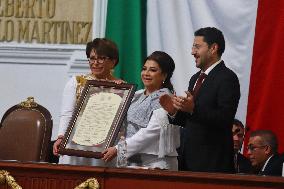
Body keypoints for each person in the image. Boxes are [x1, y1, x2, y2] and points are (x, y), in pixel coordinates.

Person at [160, 27, 240, 173]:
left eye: (197, 47)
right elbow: (191, 119)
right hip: (188, 159)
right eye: (192, 47)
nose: (192, 52)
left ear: (213, 48)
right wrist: (174, 112)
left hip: (213, 163)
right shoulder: (195, 78)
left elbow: (225, 118)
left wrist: (192, 109)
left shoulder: (227, 78)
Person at [102, 51, 179, 170]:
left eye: (153, 70)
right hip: (128, 162)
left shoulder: (167, 98)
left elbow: (150, 132)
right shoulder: (135, 95)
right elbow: (117, 122)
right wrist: (118, 90)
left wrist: (119, 149)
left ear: (164, 75)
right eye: (144, 69)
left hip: (155, 165)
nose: (146, 73)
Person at [53, 38, 123, 166]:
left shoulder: (122, 87)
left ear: (113, 62)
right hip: (75, 145)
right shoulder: (76, 82)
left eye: (101, 58)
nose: (95, 63)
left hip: (104, 148)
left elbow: (122, 123)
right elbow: (67, 114)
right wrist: (61, 137)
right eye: (92, 58)